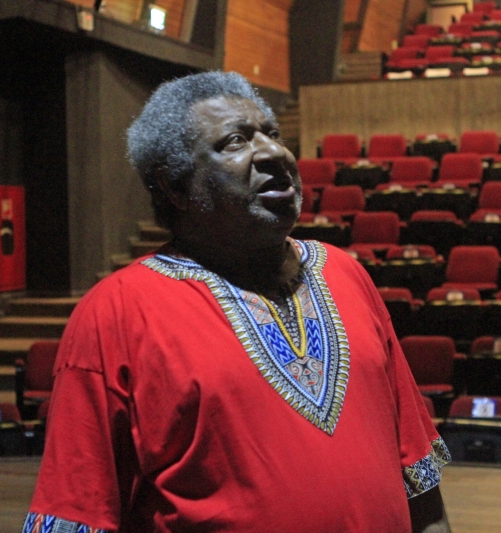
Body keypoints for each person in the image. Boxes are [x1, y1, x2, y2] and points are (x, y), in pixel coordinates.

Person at [22, 71, 451, 533]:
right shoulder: (117, 311)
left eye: (272, 133)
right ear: (175, 187)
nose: (272, 152)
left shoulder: (346, 273)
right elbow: (77, 510)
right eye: (234, 142)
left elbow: (418, 476)